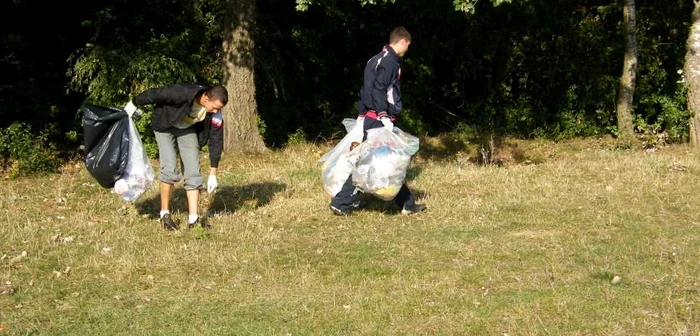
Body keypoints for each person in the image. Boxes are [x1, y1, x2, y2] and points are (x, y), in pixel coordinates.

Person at [329, 26, 426, 216]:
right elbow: (378, 89)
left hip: (371, 118)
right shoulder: (391, 62)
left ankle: (406, 204)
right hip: (379, 120)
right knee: (383, 161)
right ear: (403, 41)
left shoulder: (374, 59)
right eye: (408, 45)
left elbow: (366, 88)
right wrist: (383, 115)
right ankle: (341, 202)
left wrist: (362, 112)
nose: (407, 49)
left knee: (386, 160)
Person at [124, 84, 228, 230]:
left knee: (193, 171)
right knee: (169, 169)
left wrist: (213, 173)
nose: (216, 111)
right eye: (215, 107)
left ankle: (194, 220)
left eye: (219, 109)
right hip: (165, 125)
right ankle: (164, 215)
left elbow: (216, 139)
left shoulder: (216, 113)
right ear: (206, 98)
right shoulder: (182, 92)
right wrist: (133, 103)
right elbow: (155, 93)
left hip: (187, 128)